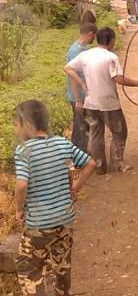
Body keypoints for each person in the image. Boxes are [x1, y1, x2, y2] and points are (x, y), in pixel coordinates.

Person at [13, 99, 97, 296]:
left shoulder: (24, 150)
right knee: (62, 266)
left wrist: (18, 208)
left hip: (39, 225)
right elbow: (91, 164)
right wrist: (75, 188)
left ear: (28, 125)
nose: (16, 129)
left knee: (29, 269)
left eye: (16, 124)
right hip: (64, 221)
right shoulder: (62, 143)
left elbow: (22, 184)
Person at [64, 27, 138, 174]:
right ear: (112, 41)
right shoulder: (111, 57)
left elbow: (67, 68)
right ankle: (116, 166)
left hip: (91, 104)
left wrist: (82, 83)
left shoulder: (85, 55)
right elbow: (119, 79)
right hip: (109, 104)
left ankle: (99, 168)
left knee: (96, 135)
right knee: (119, 132)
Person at [66, 22, 96, 151]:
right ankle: (80, 156)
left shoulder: (81, 49)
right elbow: (72, 76)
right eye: (94, 36)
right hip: (78, 97)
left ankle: (79, 154)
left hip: (81, 96)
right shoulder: (76, 51)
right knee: (81, 128)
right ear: (90, 34)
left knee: (82, 126)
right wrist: (78, 99)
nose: (94, 39)